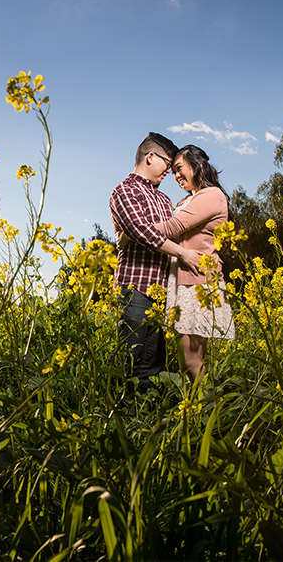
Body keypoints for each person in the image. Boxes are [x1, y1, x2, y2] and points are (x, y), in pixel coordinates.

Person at [110, 133, 201, 394]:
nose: (170, 172)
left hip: (163, 289)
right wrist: (183, 255)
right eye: (168, 164)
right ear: (150, 157)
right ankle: (122, 415)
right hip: (136, 286)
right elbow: (141, 230)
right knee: (132, 357)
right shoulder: (125, 190)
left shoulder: (164, 200)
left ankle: (145, 418)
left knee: (154, 360)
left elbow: (173, 231)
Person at [155, 144, 236, 382]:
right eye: (173, 172)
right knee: (188, 362)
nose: (177, 176)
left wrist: (134, 231)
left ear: (198, 165)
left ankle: (210, 413)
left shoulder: (211, 195)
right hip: (183, 281)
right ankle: (199, 411)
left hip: (197, 284)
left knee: (191, 361)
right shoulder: (190, 198)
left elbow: (173, 228)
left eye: (180, 168)